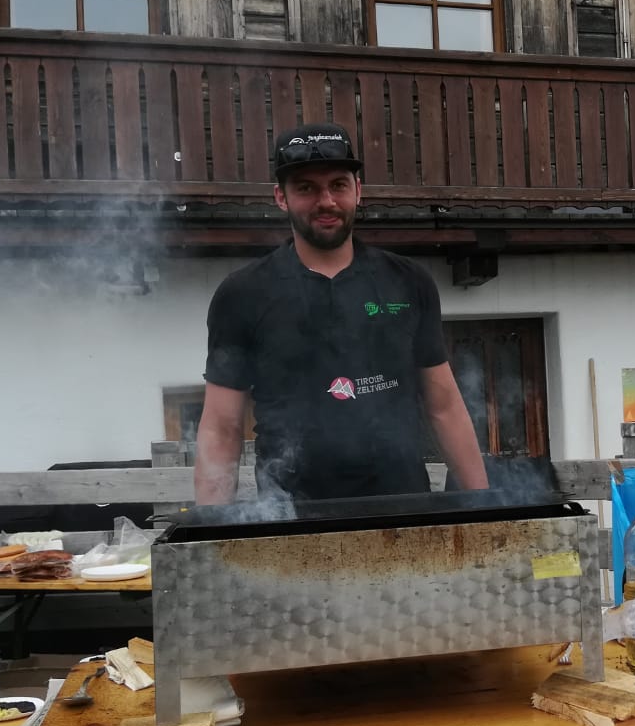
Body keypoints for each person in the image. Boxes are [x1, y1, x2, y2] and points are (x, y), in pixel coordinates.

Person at [194, 122, 489, 504]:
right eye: (306, 188)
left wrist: (485, 508)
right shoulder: (241, 295)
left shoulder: (409, 282)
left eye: (338, 185)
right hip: (290, 520)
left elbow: (444, 408)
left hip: (406, 514)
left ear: (358, 191)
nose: (326, 201)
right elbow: (222, 428)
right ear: (281, 197)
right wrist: (212, 527)